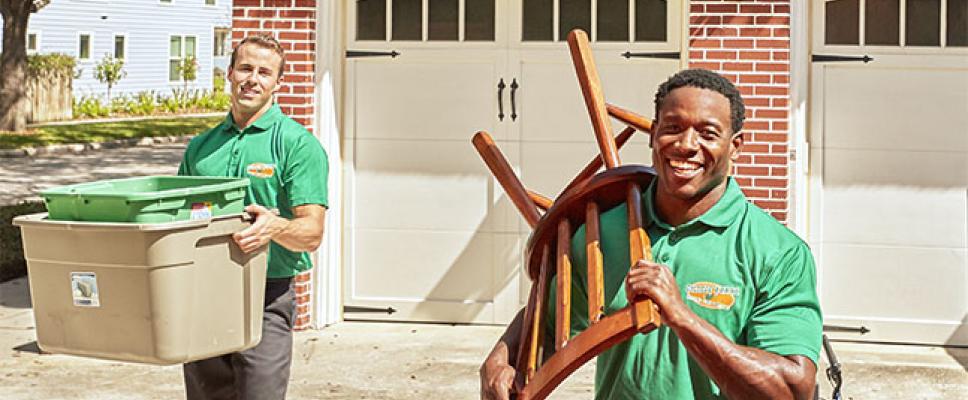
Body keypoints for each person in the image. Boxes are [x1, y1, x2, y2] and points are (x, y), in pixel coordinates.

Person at [480, 69, 822, 400]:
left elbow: (792, 391)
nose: (686, 145)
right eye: (672, 128)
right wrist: (504, 356)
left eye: (707, 133)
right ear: (653, 134)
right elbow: (549, 322)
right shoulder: (603, 232)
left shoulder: (776, 251)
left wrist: (681, 316)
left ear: (735, 147)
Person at [178, 34, 329, 400]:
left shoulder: (297, 144)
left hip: (266, 296)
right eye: (245, 68)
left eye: (264, 72)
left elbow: (312, 232)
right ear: (229, 73)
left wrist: (274, 227)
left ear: (278, 83)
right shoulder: (200, 148)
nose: (252, 79)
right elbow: (177, 219)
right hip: (205, 295)